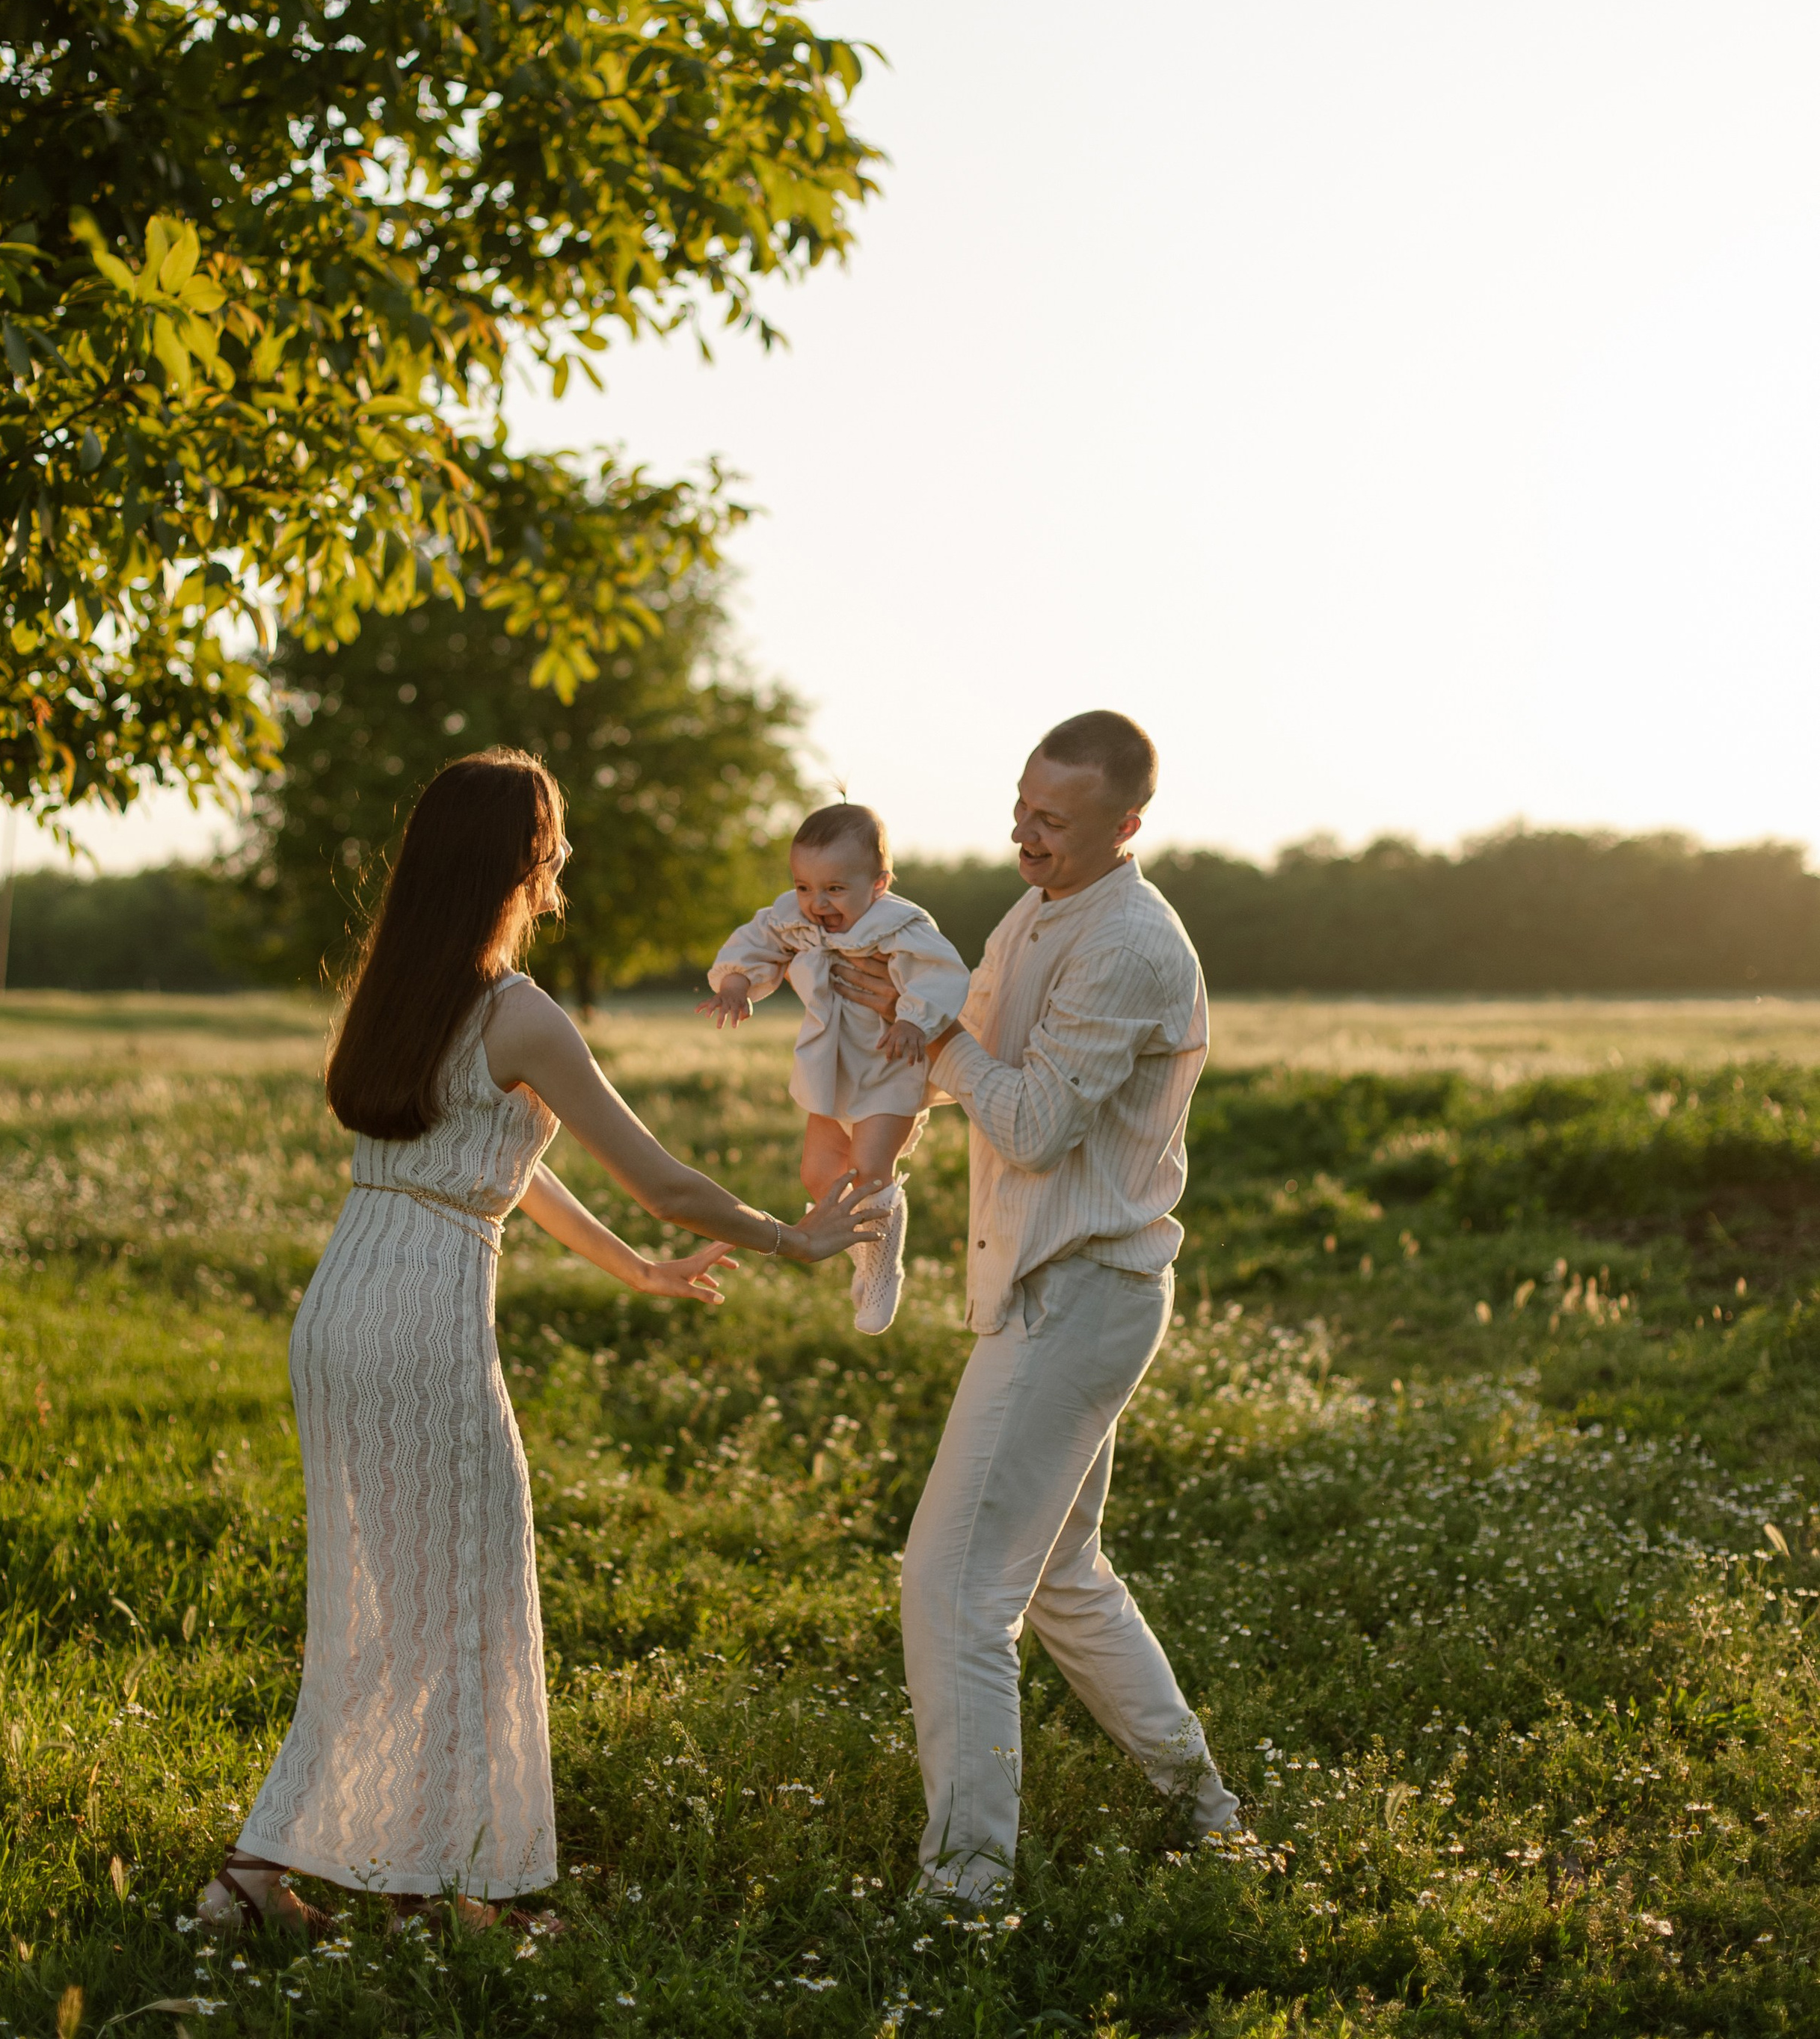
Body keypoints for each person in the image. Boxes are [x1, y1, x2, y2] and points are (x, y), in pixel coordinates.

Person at [200, 748, 884, 1939]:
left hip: (346, 1299)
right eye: (552, 838)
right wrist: (795, 1239)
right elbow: (663, 1176)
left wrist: (638, 1269)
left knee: (392, 1604)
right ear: (524, 861)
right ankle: (450, 1894)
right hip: (419, 1316)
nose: (562, 856)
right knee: (460, 1598)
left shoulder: (404, 989)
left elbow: (503, 1167)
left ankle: (287, 1881)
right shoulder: (517, 1010)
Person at [832, 711, 1240, 1901]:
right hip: (1054, 1284)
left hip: (1084, 1294)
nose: (1025, 830)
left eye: (1051, 819)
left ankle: (966, 1883)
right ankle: (1202, 1805)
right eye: (1020, 804)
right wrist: (890, 1003)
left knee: (952, 1587)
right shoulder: (1034, 913)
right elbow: (981, 1070)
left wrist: (938, 1033)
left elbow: (1032, 1121)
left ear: (1126, 825)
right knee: (1062, 1571)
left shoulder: (1129, 945)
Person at [702, 802, 969, 1335]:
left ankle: (881, 1267)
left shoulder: (899, 924)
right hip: (829, 1068)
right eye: (804, 886)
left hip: (889, 1065)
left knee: (869, 1170)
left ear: (878, 883)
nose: (816, 903)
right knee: (821, 1175)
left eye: (834, 889)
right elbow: (757, 940)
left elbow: (940, 973)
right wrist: (735, 982)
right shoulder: (795, 916)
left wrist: (914, 1019)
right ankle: (864, 1251)